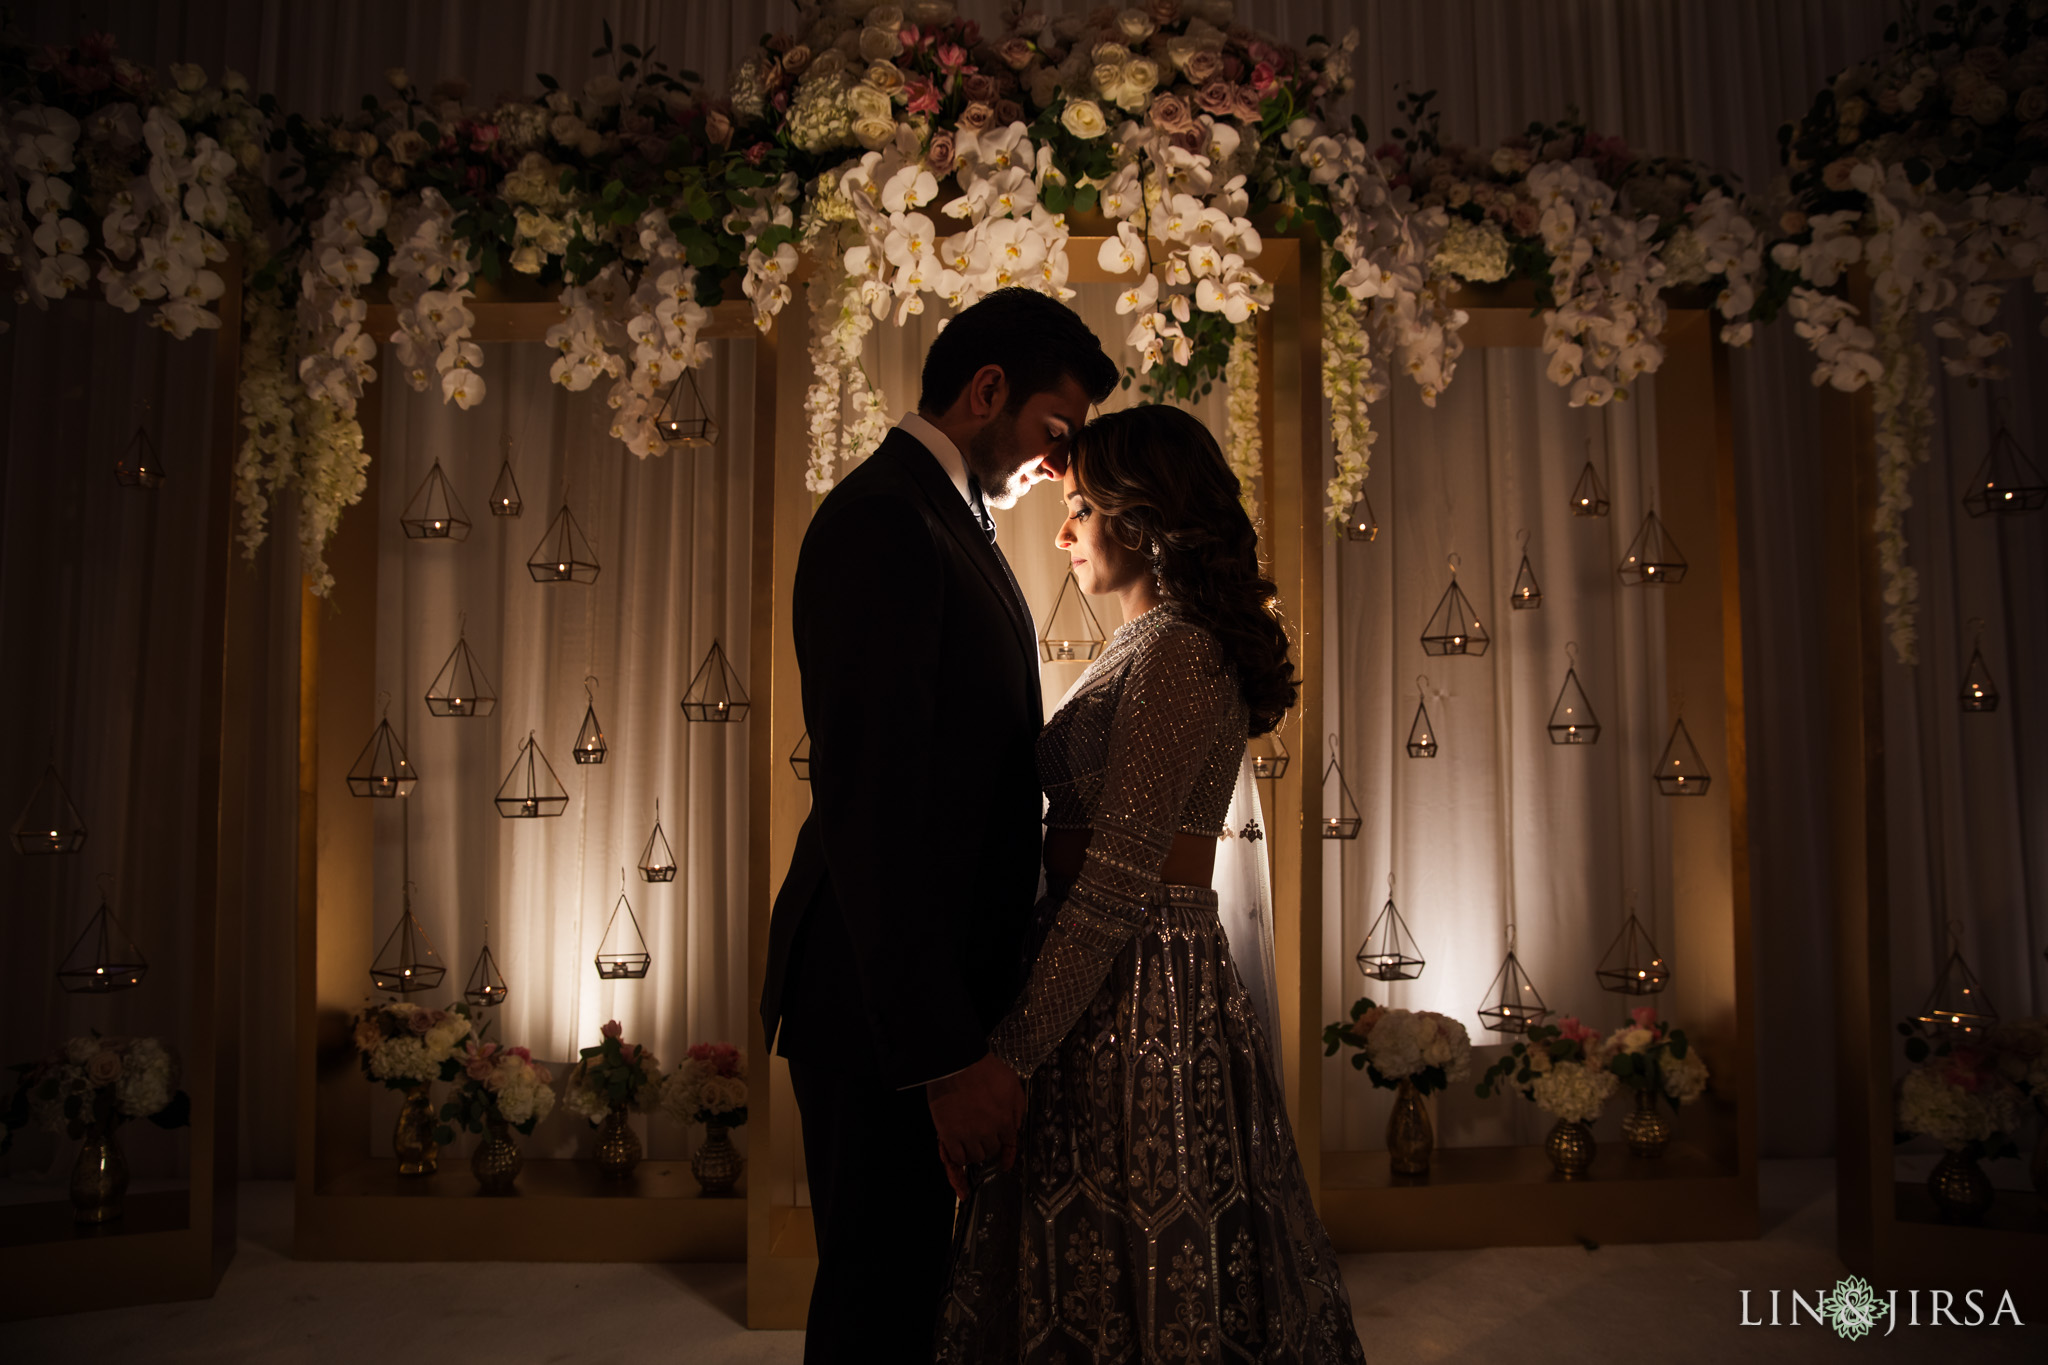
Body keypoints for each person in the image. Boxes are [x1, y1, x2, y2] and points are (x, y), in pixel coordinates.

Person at [936, 405, 1368, 1363]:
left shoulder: (1177, 649)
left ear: (1142, 519)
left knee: (1140, 1242)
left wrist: (1012, 1049)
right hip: (1104, 975)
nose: (1061, 532)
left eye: (1081, 508)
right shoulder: (1143, 641)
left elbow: (1121, 876)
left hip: (1139, 990)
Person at [760, 288, 1120, 1363]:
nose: (1062, 468)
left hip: (920, 996)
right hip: (879, 1008)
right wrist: (942, 1058)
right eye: (1056, 433)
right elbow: (873, 805)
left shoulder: (942, 512)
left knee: (916, 1298)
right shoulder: (884, 518)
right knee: (879, 1301)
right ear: (986, 391)